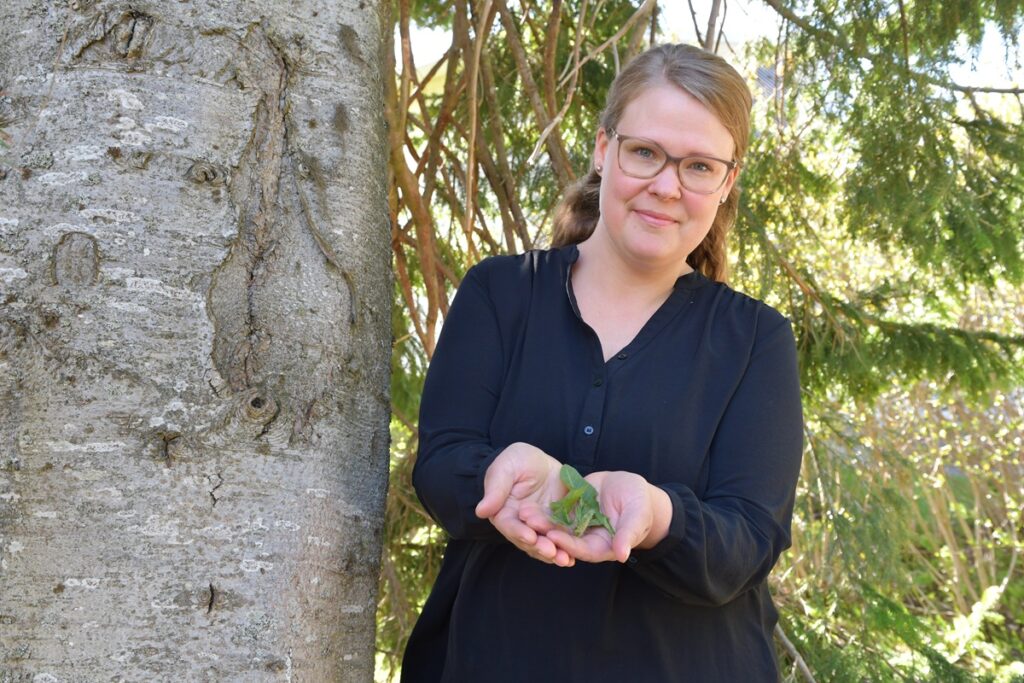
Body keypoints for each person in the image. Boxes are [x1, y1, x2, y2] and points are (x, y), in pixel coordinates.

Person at [402, 43, 803, 682]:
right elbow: (441, 465)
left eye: (699, 165)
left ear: (726, 182)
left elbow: (748, 544)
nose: (667, 185)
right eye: (645, 152)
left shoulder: (756, 340)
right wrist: (499, 474)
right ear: (603, 149)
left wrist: (654, 514)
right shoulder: (501, 294)